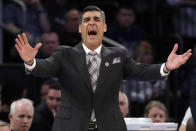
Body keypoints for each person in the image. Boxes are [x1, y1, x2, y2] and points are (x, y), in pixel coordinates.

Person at [14, 5, 192, 131]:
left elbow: (141, 71)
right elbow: (43, 68)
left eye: (97, 20)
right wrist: (31, 61)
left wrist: (166, 66)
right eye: (86, 20)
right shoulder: (64, 54)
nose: (91, 23)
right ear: (80, 28)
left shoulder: (118, 54)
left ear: (104, 27)